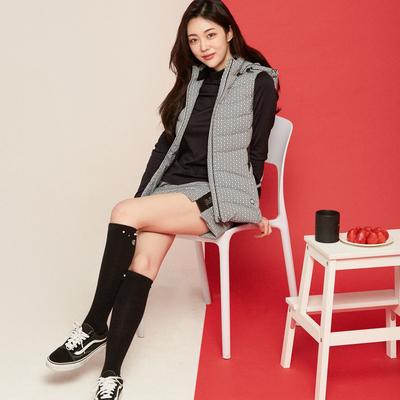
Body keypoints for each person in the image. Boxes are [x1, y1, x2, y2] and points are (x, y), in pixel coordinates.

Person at [46, 1, 279, 398]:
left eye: (210, 35)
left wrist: (251, 204)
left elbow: (257, 152)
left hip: (216, 194)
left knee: (122, 211)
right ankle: (111, 373)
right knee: (143, 261)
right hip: (174, 188)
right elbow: (165, 144)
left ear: (228, 32)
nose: (203, 46)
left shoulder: (257, 82)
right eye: (194, 39)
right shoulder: (193, 80)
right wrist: (144, 200)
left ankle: (94, 325)